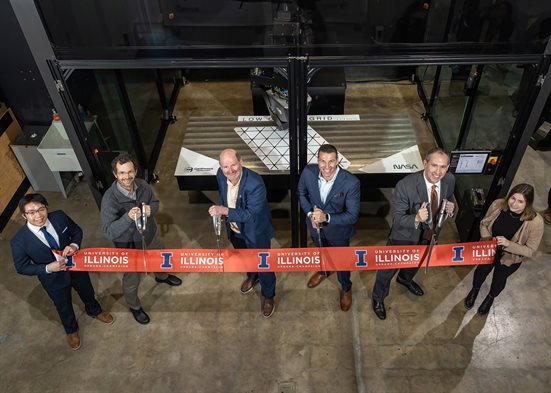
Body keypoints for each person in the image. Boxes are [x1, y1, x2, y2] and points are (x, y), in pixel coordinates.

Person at [10, 193, 114, 350]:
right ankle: (71, 329)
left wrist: (74, 246)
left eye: (41, 209)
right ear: (24, 215)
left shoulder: (59, 217)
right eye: (31, 212)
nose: (38, 216)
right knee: (63, 305)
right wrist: (46, 268)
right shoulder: (19, 241)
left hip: (76, 267)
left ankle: (94, 310)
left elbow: (77, 231)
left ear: (46, 208)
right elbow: (21, 267)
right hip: (53, 279)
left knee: (87, 291)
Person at [372, 148, 456, 320]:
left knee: (415, 264)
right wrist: (416, 217)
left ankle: (405, 279)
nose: (438, 172)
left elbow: (451, 200)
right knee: (387, 270)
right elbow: (397, 219)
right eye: (434, 165)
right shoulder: (406, 185)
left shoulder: (449, 179)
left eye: (443, 167)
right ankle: (378, 298)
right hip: (403, 237)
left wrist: (452, 209)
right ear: (425, 163)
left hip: (429, 237)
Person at [101, 154, 181, 325]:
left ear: (135, 171)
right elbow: (108, 232)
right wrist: (127, 218)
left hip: (150, 235)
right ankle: (135, 306)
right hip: (128, 245)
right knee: (131, 279)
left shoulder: (143, 185)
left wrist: (151, 209)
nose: (127, 177)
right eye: (122, 173)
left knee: (159, 258)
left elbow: (155, 201)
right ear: (115, 174)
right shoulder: (109, 199)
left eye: (130, 172)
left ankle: (162, 276)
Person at [208, 149, 276, 318]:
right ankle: (252, 277)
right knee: (245, 258)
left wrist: (223, 210)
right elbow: (223, 195)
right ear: (220, 167)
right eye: (225, 166)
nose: (230, 171)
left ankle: (268, 296)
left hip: (255, 233)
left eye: (233, 165)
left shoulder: (255, 184)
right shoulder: (220, 175)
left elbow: (250, 215)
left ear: (241, 162)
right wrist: (224, 211)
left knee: (264, 265)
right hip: (235, 229)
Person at [464, 183, 544, 315]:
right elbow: (484, 223)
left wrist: (508, 244)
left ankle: (490, 298)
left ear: (527, 204)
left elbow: (530, 250)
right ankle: (475, 289)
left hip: (509, 259)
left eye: (520, 201)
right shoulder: (498, 204)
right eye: (513, 198)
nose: (514, 204)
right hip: (489, 252)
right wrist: (487, 238)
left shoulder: (536, 222)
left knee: (498, 281)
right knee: (480, 273)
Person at [297, 144, 360, 311]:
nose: (327, 167)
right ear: (317, 161)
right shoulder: (308, 172)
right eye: (323, 161)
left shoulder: (351, 182)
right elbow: (301, 193)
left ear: (337, 161)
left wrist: (327, 217)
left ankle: (346, 287)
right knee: (320, 252)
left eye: (331, 161)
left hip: (338, 232)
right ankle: (324, 271)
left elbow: (352, 215)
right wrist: (311, 214)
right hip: (314, 227)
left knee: (342, 263)